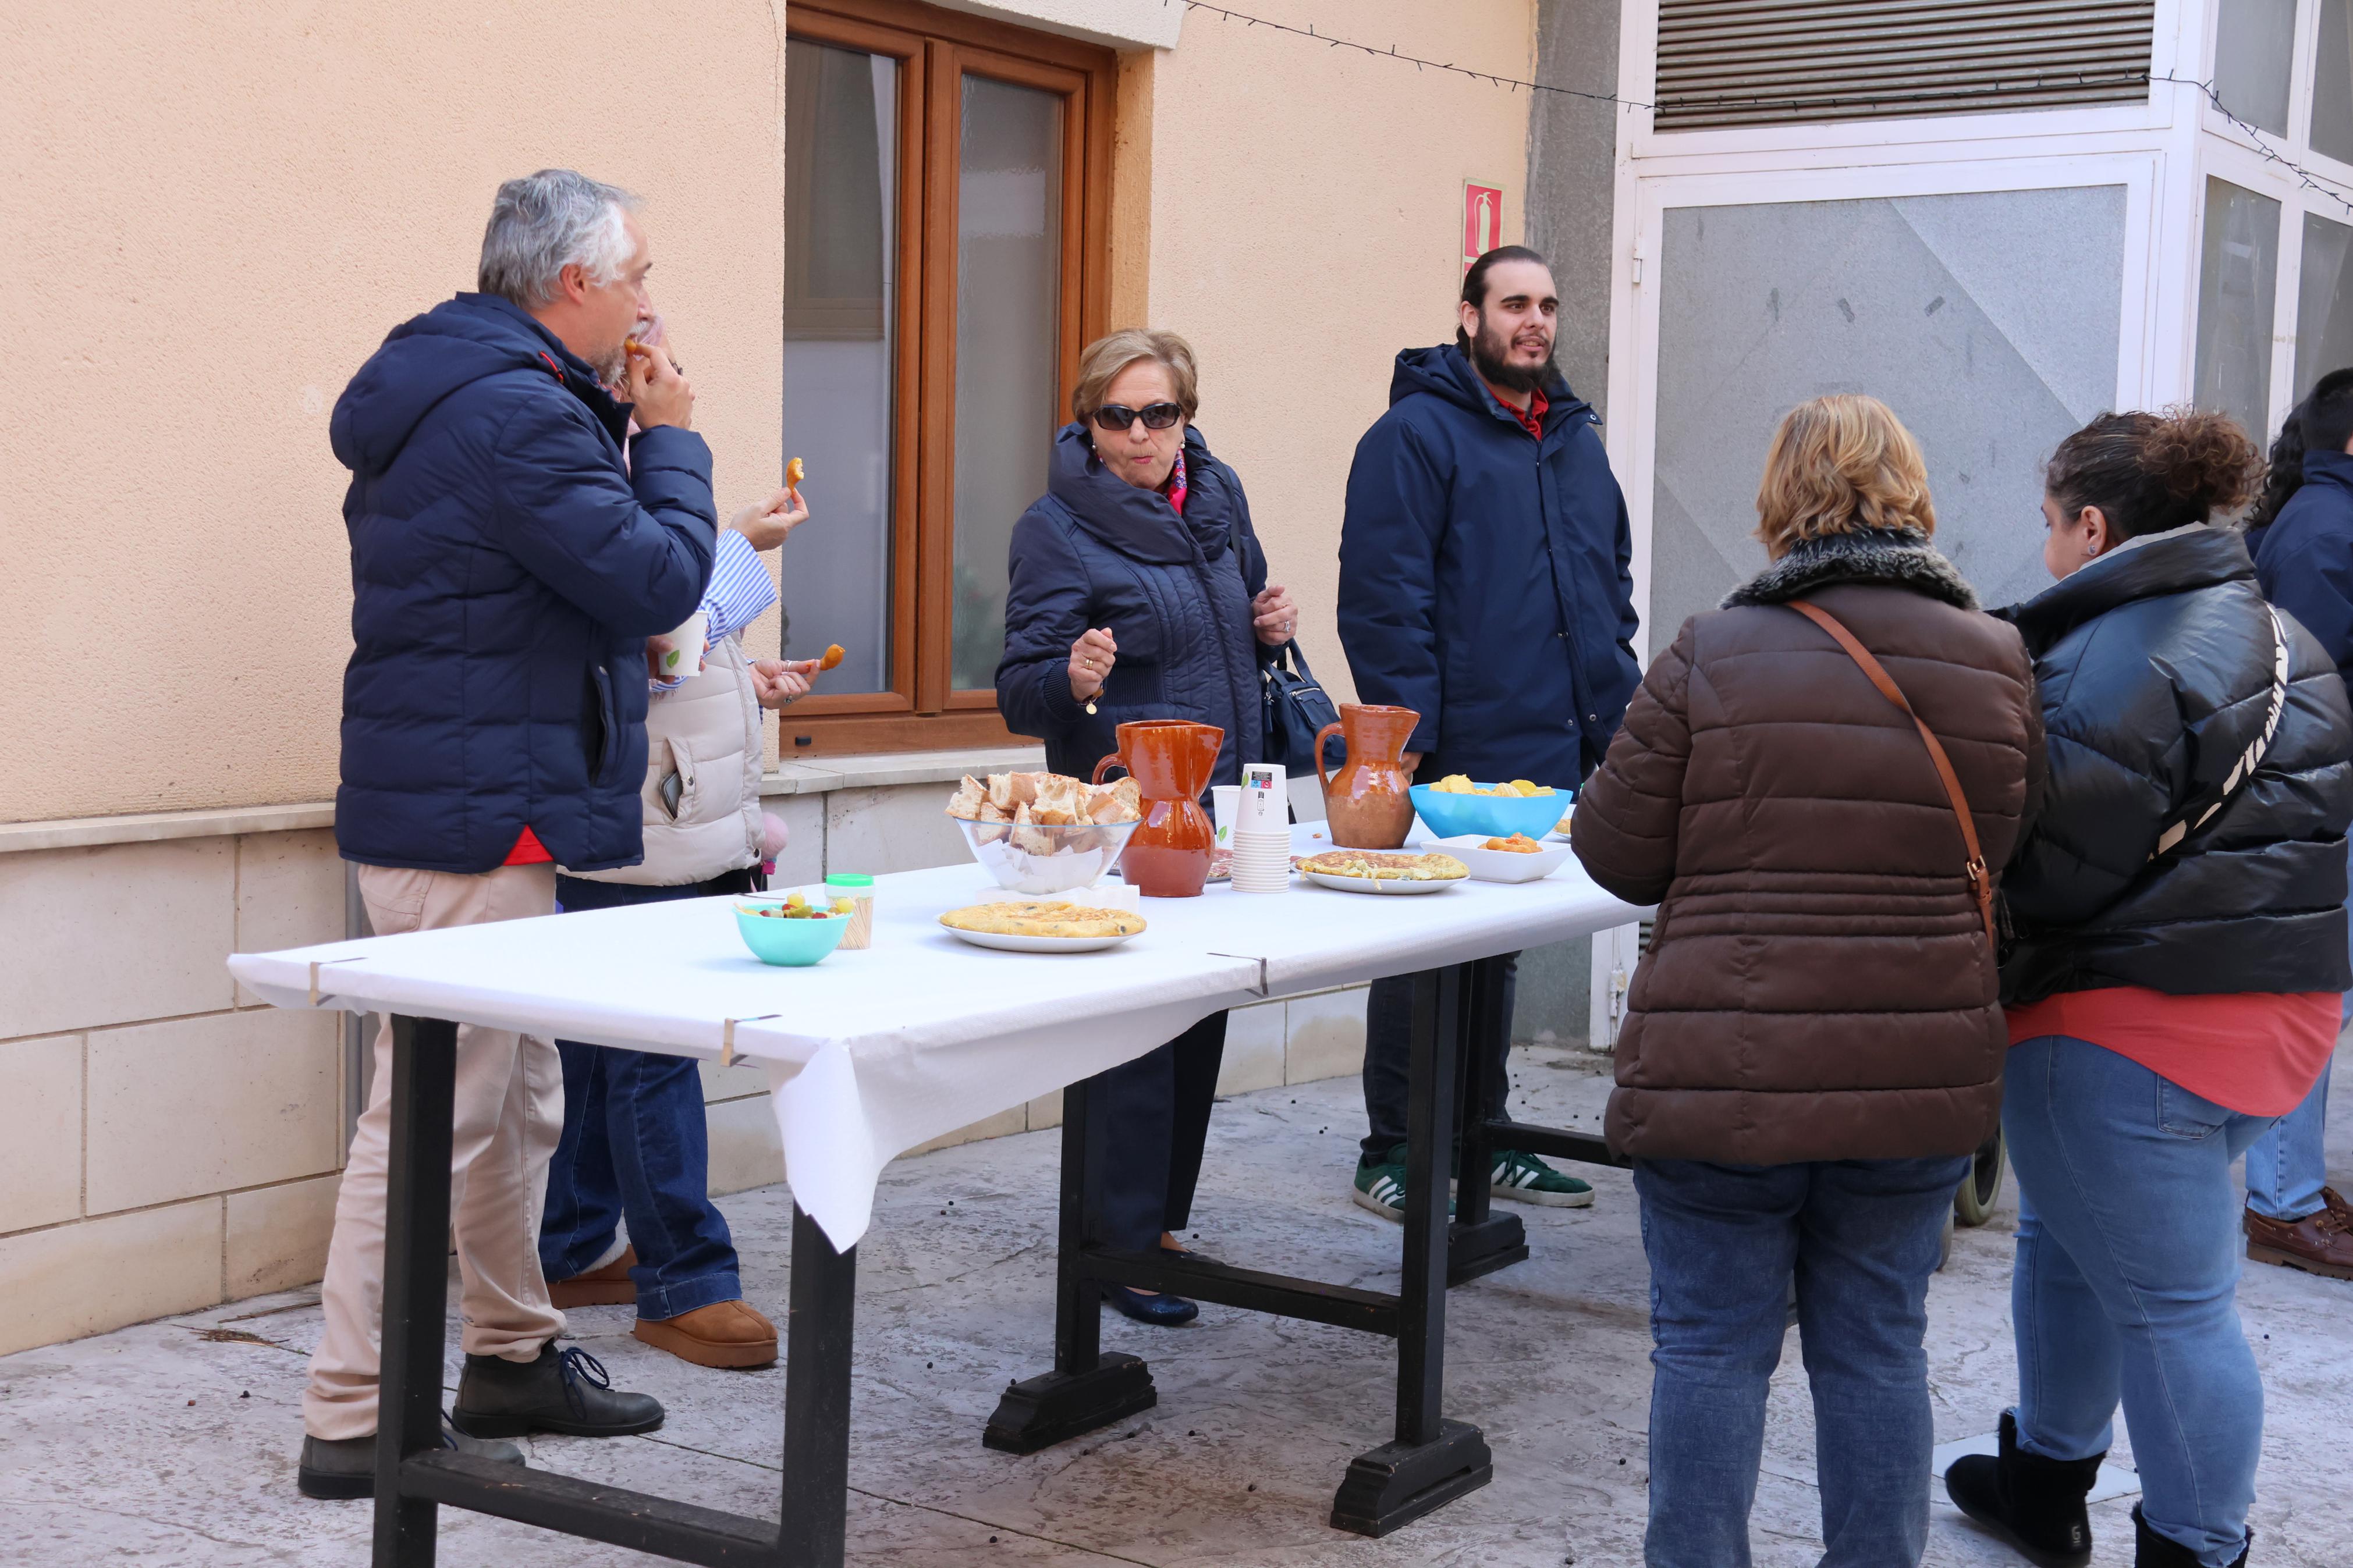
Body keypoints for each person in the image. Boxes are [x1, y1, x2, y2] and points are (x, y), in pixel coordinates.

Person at [1571, 394, 2043, 1567]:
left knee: (1709, 1347)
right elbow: (2015, 844)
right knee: (1879, 1343)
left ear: (1779, 503)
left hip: (1724, 1075)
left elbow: (1615, 853)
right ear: (1914, 496)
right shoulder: (1997, 661)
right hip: (1915, 1076)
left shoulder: (1710, 652)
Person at [300, 169, 709, 1498]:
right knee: (432, 1114)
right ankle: (354, 1413)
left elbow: (554, 592)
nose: (650, 298)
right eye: (637, 273)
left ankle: (513, 1351)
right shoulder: (518, 414)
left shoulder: (482, 394)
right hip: (469, 818)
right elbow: (657, 571)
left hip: (474, 804)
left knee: (516, 1097)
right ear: (576, 285)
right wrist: (672, 439)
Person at [1946, 410, 2352, 1568]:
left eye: (2049, 530)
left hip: (2127, 1030)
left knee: (2177, 1307)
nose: (2045, 557)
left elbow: (2055, 872)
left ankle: (2196, 1547)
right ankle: (2044, 1479)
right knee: (2071, 1245)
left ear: (2093, 523)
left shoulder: (2109, 652)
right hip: (2275, 1017)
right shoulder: (2286, 638)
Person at [537, 316, 825, 1371]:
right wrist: (741, 549)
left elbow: (670, 646)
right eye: (661, 365)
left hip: (662, 809)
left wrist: (739, 676)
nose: (682, 383)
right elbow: (658, 632)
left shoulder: (614, 472)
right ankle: (686, 1281)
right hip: (637, 820)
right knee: (655, 1051)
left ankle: (566, 1246)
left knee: (606, 1050)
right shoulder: (590, 468)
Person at [996, 328, 1296, 1325]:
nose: (1139, 435)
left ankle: (1159, 1225)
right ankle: (1113, 1244)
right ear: (1088, 422)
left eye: (1158, 414)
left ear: (1186, 418)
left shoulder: (1220, 500)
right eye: (1117, 416)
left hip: (1217, 816)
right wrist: (1069, 678)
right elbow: (1018, 689)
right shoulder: (1055, 528)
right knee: (1133, 1035)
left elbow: (1240, 613)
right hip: (1120, 824)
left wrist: (1272, 625)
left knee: (1200, 1014)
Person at [1336, 244, 1639, 1221]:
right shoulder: (1413, 436)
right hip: (1452, 748)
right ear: (1469, 317)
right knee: (1426, 946)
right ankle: (1395, 1148)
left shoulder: (1576, 440)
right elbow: (1384, 599)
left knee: (1497, 948)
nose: (1536, 321)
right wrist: (1409, 738)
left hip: (1551, 743)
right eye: (1514, 303)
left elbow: (1606, 590)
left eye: (1548, 304)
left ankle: (1482, 1139)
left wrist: (1615, 717)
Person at [2238, 376, 2353, 1281]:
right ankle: (2284, 1202)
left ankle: (2294, 1192)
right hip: (2328, 806)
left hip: (2333, 801)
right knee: (2311, 1004)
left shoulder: (2326, 522)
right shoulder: (2323, 532)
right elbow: (2309, 695)